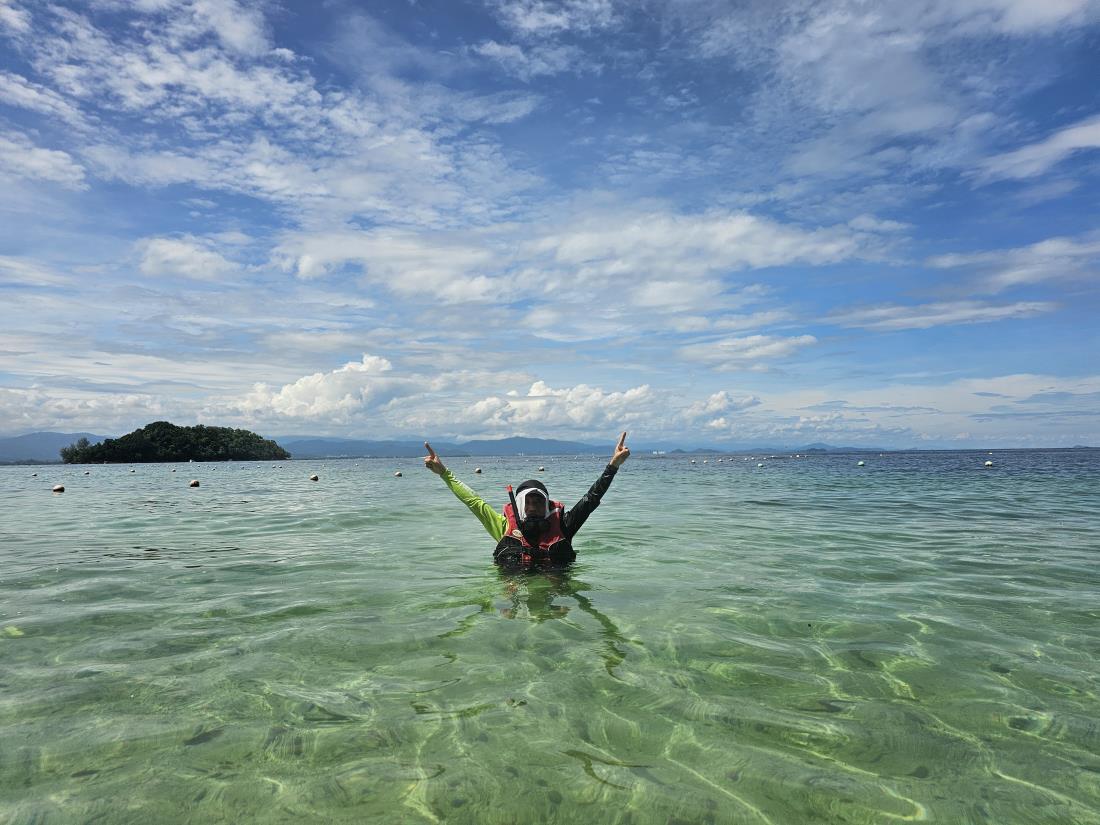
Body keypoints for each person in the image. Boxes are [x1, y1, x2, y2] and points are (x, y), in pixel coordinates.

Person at [423, 432, 631, 566]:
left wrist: (613, 466)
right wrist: (444, 473)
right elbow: (474, 502)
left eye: (538, 502)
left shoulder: (564, 525)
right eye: (527, 502)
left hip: (554, 587)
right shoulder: (503, 526)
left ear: (547, 505)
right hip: (515, 587)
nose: (532, 507)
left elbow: (591, 499)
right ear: (519, 505)